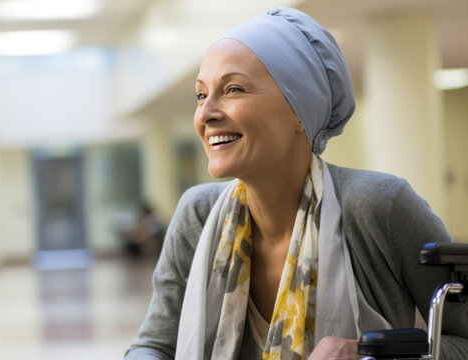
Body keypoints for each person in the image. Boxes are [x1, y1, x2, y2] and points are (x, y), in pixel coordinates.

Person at [125, 7, 468, 360]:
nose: (206, 113)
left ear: (299, 109)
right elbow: (155, 345)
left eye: (232, 89)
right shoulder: (198, 215)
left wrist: (368, 353)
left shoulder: (379, 207)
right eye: (201, 95)